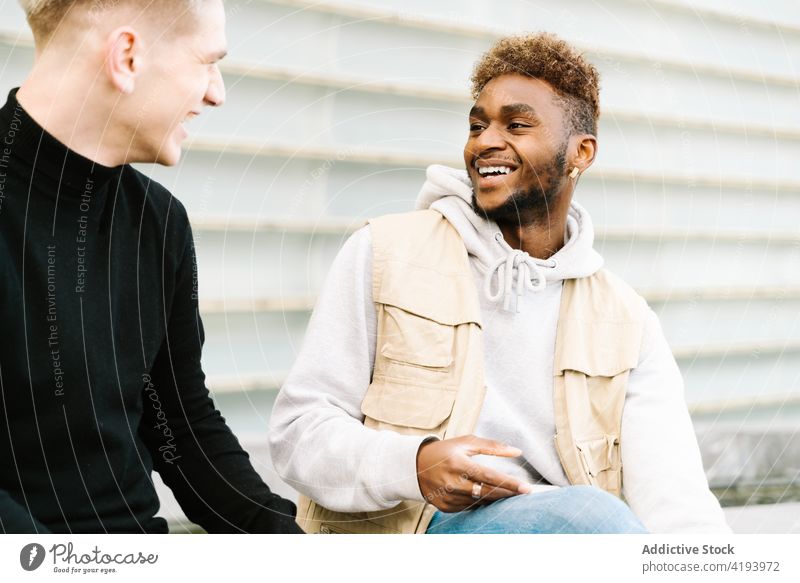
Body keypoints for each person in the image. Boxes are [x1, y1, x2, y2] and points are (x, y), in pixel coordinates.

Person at [269, 33, 731, 534]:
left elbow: (677, 502)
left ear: (581, 152)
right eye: (476, 124)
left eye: (516, 124)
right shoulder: (385, 252)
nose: (485, 140)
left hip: (564, 535)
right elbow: (298, 434)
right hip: (416, 535)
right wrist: (414, 465)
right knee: (587, 518)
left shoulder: (626, 320)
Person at [0, 0, 301, 533]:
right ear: (127, 57)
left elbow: (180, 428)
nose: (217, 92)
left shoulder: (158, 222)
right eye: (207, 61)